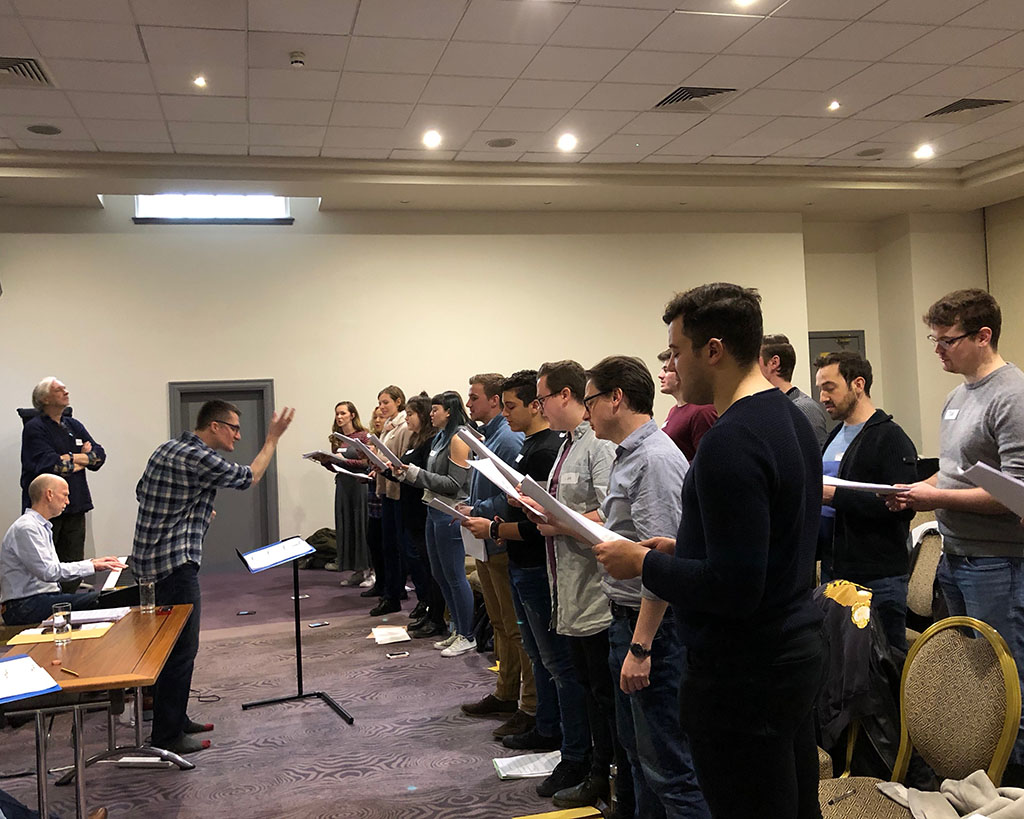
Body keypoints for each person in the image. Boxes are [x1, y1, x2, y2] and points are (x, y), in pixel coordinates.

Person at [596, 284, 825, 819]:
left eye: (676, 351)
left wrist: (644, 563)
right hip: (790, 650)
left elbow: (735, 588)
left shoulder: (731, 440)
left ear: (714, 350)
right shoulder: (787, 416)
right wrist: (685, 547)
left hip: (744, 672)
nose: (671, 366)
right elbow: (769, 542)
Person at [888, 288, 1024, 771]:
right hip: (957, 556)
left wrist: (935, 499)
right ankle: (978, 779)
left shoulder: (1012, 396)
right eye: (935, 340)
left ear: (983, 336)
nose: (939, 350)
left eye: (948, 340)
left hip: (998, 563)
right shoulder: (956, 395)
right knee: (973, 688)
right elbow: (953, 475)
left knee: (1008, 685)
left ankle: (1013, 786)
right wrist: (915, 490)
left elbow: (1014, 494)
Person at [584, 355, 709, 819]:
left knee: (670, 769)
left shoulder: (653, 460)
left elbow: (661, 565)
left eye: (590, 400)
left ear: (616, 398)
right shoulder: (630, 455)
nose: (586, 411)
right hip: (629, 621)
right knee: (641, 758)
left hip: (654, 630)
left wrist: (641, 647)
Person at [132, 399, 294, 756]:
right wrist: (273, 438)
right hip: (174, 564)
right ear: (215, 426)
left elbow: (142, 491)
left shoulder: (167, 448)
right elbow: (249, 477)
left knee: (167, 648)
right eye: (234, 428)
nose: (238, 435)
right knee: (181, 650)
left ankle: (175, 718)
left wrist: (190, 510)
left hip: (149, 563)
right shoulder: (199, 457)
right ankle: (167, 735)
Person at [524, 360, 629, 812]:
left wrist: (559, 522)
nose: (539, 407)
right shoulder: (569, 444)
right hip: (570, 585)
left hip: (596, 590)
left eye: (542, 398)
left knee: (602, 695)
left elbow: (610, 515)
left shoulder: (597, 447)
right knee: (587, 688)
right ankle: (592, 769)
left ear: (565, 396)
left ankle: (604, 776)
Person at [462, 371, 581, 763]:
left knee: (552, 659)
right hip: (521, 559)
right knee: (535, 650)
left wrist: (497, 526)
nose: (506, 413)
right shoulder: (535, 445)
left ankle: (549, 727)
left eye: (512, 406)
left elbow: (544, 523)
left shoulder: (547, 448)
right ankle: (541, 720)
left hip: (535, 563)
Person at [815, 351, 917, 655]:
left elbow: (903, 507)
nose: (822, 397)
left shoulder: (890, 437)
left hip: (877, 577)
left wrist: (834, 496)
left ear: (858, 384)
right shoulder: (835, 435)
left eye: (830, 388)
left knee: (884, 664)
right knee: (841, 663)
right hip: (836, 570)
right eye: (820, 389)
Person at [456, 373, 534, 740]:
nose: (469, 404)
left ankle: (526, 703)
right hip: (486, 539)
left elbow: (514, 496)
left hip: (500, 539)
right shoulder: (490, 435)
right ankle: (505, 692)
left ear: (494, 400)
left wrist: (478, 509)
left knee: (516, 628)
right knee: (501, 624)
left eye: (474, 397)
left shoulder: (509, 437)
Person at [394, 391, 475, 657]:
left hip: (450, 511)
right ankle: (456, 628)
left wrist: (415, 474)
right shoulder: (440, 437)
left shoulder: (458, 438)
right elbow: (432, 476)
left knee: (455, 576)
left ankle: (467, 634)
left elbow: (454, 484)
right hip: (433, 507)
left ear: (449, 411)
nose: (431, 414)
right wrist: (408, 474)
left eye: (435, 409)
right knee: (439, 575)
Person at [1, 474, 125, 626]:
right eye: (65, 495)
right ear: (49, 494)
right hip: (23, 606)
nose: (68, 501)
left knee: (107, 598)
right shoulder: (27, 528)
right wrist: (92, 565)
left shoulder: (39, 526)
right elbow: (49, 572)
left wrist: (92, 563)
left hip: (35, 601)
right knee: (104, 599)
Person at [20, 377, 106, 594]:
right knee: (48, 564)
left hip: (75, 504)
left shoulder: (73, 425)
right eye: (59, 390)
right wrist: (82, 458)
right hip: (47, 508)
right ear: (44, 399)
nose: (66, 392)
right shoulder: (34, 428)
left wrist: (72, 458)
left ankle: (70, 601)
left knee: (73, 560)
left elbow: (99, 457)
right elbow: (53, 465)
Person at [390, 393, 447, 638]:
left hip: (422, 508)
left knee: (429, 566)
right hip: (410, 506)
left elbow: (425, 474)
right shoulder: (416, 438)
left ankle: (436, 615)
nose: (407, 419)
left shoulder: (431, 441)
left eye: (411, 414)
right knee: (419, 561)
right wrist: (390, 470)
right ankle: (428, 608)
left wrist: (402, 471)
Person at [321, 401, 371, 584]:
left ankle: (371, 571)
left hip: (359, 485)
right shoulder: (337, 439)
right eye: (337, 414)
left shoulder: (363, 436)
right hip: (343, 485)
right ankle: (357, 571)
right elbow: (337, 466)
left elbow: (366, 463)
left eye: (343, 413)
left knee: (361, 525)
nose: (339, 417)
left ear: (352, 415)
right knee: (347, 525)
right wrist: (326, 461)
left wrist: (342, 461)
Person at [759, 334, 830, 447]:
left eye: (756, 362)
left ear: (774, 363)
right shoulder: (771, 408)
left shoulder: (804, 409)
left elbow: (816, 454)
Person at [656, 349, 716, 462]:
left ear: (681, 372)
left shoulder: (703, 411)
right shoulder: (673, 411)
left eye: (666, 370)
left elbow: (707, 459)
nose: (660, 375)